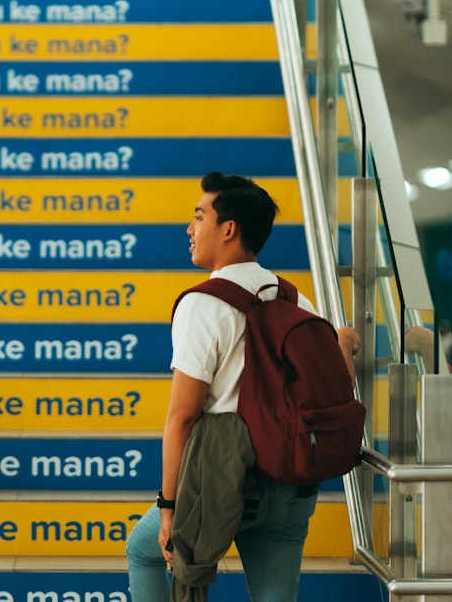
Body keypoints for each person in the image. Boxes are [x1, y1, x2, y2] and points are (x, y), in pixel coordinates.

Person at [125, 172, 360, 602]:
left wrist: (169, 508)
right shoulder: (294, 300)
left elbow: (183, 416)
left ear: (228, 228)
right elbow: (335, 390)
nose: (190, 229)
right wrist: (342, 343)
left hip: (220, 482)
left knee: (143, 554)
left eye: (199, 217)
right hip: (292, 483)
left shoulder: (202, 303)